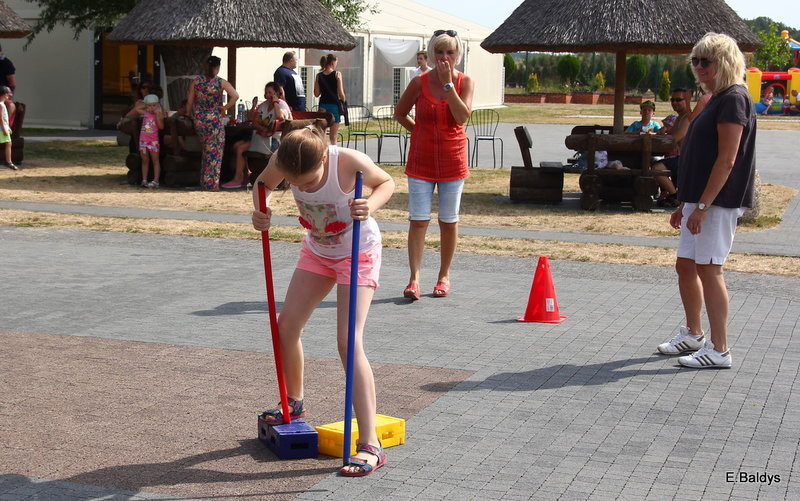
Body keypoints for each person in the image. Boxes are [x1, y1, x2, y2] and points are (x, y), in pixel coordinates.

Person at [250, 126, 395, 476]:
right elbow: (261, 185)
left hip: (356, 250)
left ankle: (370, 444)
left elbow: (387, 182)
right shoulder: (284, 159)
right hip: (318, 249)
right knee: (286, 326)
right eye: (295, 181)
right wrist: (260, 211)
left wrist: (369, 204)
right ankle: (295, 404)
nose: (304, 185)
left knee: (348, 342)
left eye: (309, 179)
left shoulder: (347, 162)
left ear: (323, 159)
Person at [656, 32, 757, 369]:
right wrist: (684, 203)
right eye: (695, 60)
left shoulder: (733, 99)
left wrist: (702, 206)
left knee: (709, 268)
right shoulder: (714, 98)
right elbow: (698, 155)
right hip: (697, 199)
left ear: (724, 63)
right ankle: (693, 333)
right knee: (686, 264)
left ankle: (720, 349)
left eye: (706, 61)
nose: (698, 67)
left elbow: (727, 159)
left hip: (718, 201)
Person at [394, 30, 474, 300]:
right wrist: (417, 132)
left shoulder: (465, 81)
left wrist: (448, 84)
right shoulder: (419, 82)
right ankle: (414, 278)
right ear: (430, 54)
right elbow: (400, 112)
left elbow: (462, 117)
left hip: (453, 159)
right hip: (421, 160)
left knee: (448, 221)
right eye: (439, 52)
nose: (444, 57)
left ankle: (444, 276)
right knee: (418, 220)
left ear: (457, 55)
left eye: (450, 52)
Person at [224, 82, 292, 189]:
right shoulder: (264, 105)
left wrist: (275, 103)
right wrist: (254, 107)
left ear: (276, 93)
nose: (267, 95)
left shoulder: (281, 104)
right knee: (237, 145)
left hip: (276, 140)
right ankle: (244, 176)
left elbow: (280, 117)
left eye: (270, 92)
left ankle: (239, 178)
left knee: (241, 148)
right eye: (266, 93)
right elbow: (253, 120)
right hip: (261, 137)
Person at [187, 55, 239, 191]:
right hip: (214, 120)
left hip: (199, 120)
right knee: (215, 153)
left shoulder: (197, 81)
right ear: (217, 67)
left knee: (206, 150)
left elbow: (190, 102)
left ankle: (204, 182)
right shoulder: (220, 82)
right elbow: (235, 95)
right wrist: (225, 108)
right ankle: (211, 184)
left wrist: (189, 115)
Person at [652, 88, 694, 206]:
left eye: (678, 100)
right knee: (654, 164)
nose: (674, 102)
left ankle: (675, 196)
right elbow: (672, 137)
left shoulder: (687, 118)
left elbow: (675, 139)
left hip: (688, 160)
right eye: (672, 100)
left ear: (687, 100)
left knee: (656, 168)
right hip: (681, 157)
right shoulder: (680, 117)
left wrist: (664, 138)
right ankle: (671, 193)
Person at [314, 54, 347, 145]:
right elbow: (340, 93)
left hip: (323, 105)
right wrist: (344, 100)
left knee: (321, 134)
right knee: (333, 137)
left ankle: (321, 155)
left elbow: (316, 94)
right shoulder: (337, 74)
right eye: (336, 62)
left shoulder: (319, 76)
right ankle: (333, 157)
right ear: (333, 62)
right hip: (334, 106)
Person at [134, 94, 165, 188]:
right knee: (144, 160)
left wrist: (157, 115)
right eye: (149, 105)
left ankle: (156, 181)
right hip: (143, 140)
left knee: (155, 160)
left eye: (154, 105)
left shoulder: (159, 114)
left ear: (157, 105)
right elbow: (136, 109)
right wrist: (146, 104)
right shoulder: (145, 113)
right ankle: (144, 180)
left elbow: (161, 127)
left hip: (153, 141)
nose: (152, 107)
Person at [0, 86, 16, 170]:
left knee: (8, 143)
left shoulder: (2, 104)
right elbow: (1, 118)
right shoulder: (1, 105)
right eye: (8, 95)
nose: (9, 97)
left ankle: (8, 161)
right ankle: (8, 161)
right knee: (8, 143)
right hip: (1, 129)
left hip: (4, 127)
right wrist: (4, 128)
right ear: (4, 95)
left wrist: (8, 127)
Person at [0, 45, 16, 119]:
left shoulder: (6, 63)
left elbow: (12, 84)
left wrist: (9, 97)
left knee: (10, 106)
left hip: (2, 94)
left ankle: (2, 127)